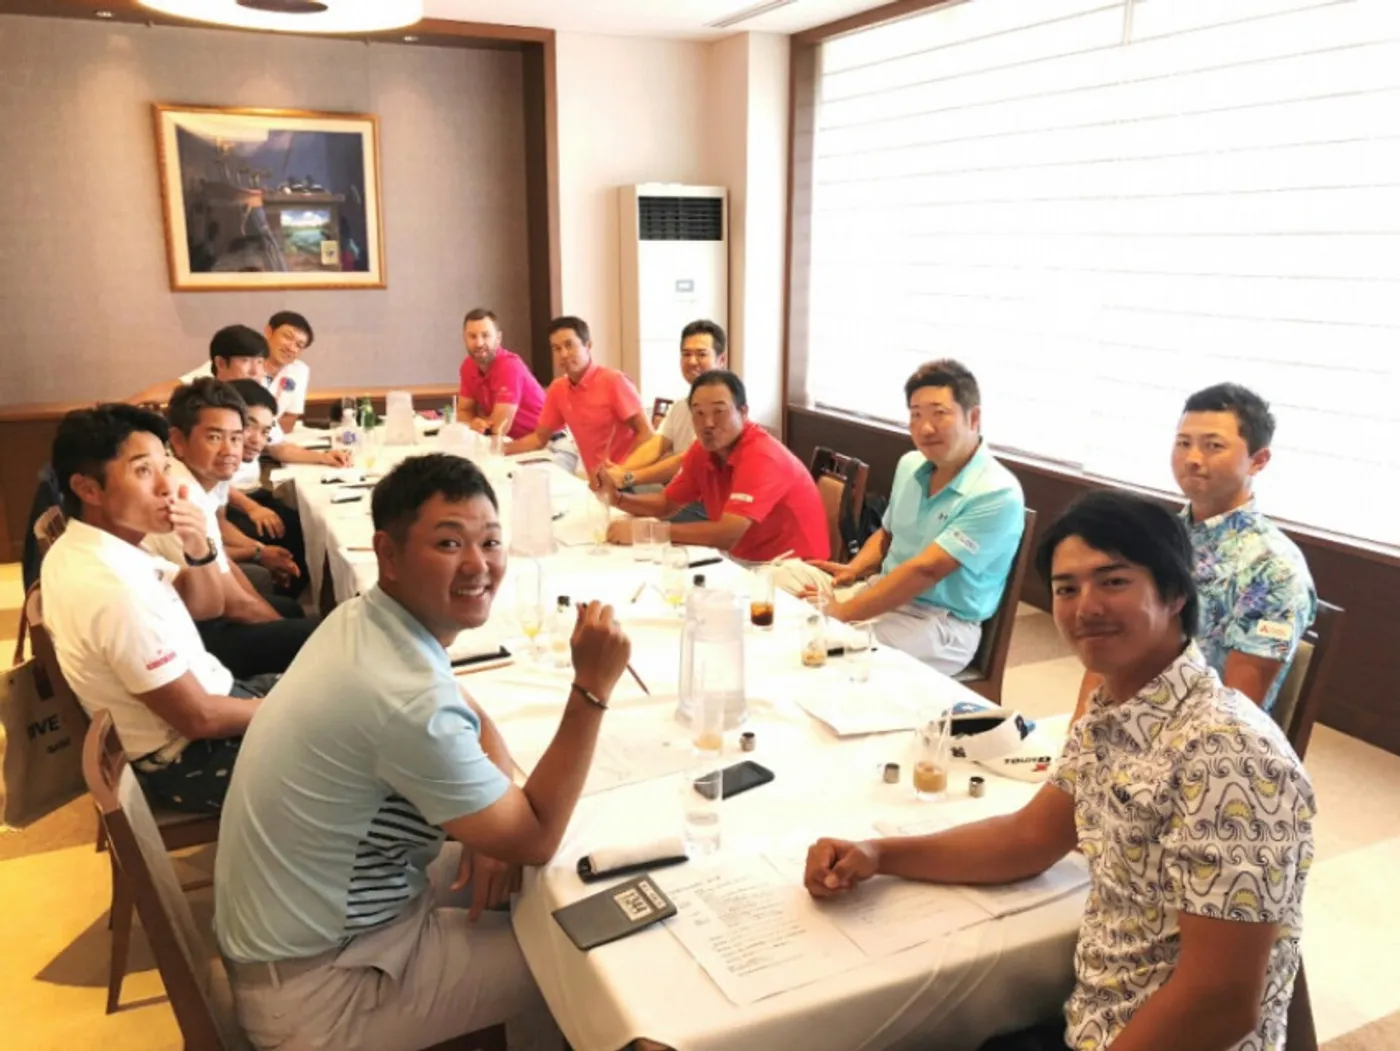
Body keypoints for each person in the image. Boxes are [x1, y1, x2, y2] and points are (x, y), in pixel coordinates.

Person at [805, 490, 1315, 1051]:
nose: (1085, 607)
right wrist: (879, 855)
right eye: (1066, 589)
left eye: (1113, 581)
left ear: (1174, 594)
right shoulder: (1113, 709)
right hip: (1091, 1016)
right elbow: (1028, 839)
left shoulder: (1231, 755)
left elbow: (1219, 1002)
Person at [214, 454, 633, 1051]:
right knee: (590, 962)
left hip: (307, 932)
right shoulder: (402, 696)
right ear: (388, 553)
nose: (478, 565)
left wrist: (494, 821)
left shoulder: (364, 620)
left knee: (551, 887)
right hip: (325, 993)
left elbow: (469, 711)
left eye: (491, 541)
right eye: (448, 543)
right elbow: (537, 835)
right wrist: (591, 688)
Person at [40, 404, 272, 814]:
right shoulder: (112, 588)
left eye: (165, 466)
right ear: (89, 489)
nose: (168, 486)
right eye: (144, 471)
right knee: (355, 745)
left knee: (338, 694)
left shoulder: (101, 544)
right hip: (187, 757)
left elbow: (205, 607)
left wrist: (198, 548)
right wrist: (289, 711)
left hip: (212, 698)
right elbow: (199, 719)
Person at [1072, 383, 1316, 720]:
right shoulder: (1152, 535)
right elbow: (1108, 649)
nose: (1193, 459)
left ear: (1258, 461)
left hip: (1200, 739)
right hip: (1118, 720)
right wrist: (1079, 732)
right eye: (1183, 443)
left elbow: (1235, 712)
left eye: (1213, 446)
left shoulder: (1274, 568)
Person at [786, 359, 1026, 675]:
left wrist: (843, 612)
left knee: (830, 649)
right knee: (779, 580)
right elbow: (887, 534)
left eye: (939, 414)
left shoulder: (996, 492)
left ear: (974, 418)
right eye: (916, 415)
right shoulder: (911, 464)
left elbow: (925, 571)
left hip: (940, 624)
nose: (925, 428)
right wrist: (854, 569)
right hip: (878, 592)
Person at [156, 379, 318, 678]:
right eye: (214, 437)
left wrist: (278, 622)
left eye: (235, 437)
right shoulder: (181, 496)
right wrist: (282, 629)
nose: (229, 450)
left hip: (201, 613)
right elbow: (232, 604)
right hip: (190, 638)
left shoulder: (202, 481)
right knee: (316, 638)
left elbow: (225, 566)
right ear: (178, 441)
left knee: (291, 612)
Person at [594, 370, 828, 563]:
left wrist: (648, 533)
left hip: (794, 569)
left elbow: (727, 534)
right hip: (743, 561)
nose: (708, 423)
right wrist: (616, 498)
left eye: (719, 412)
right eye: (698, 413)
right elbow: (667, 504)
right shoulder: (702, 450)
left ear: (743, 412)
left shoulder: (762, 456)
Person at [597, 319, 726, 524]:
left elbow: (687, 459)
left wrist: (628, 477)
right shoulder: (681, 405)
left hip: (708, 505)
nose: (692, 361)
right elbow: (656, 445)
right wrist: (620, 473)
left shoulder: (725, 408)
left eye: (701, 354)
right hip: (681, 495)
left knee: (630, 517)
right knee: (617, 499)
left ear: (721, 360)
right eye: (686, 354)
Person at [505, 316, 653, 476]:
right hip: (597, 480)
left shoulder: (614, 381)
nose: (563, 354)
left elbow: (647, 433)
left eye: (569, 345)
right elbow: (539, 439)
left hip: (631, 476)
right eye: (556, 348)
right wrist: (497, 449)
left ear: (588, 346)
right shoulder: (558, 389)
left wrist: (621, 472)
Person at [224, 378, 311, 594]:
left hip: (247, 496)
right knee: (281, 531)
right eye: (249, 426)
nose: (257, 440)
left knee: (299, 525)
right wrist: (259, 552)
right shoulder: (208, 463)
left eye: (265, 432)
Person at [455, 307, 547, 440]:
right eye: (472, 336)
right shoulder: (467, 366)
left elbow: (498, 428)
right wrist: (473, 423)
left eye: (485, 335)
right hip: (511, 442)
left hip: (547, 442)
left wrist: (476, 423)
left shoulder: (509, 366)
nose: (479, 343)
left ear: (498, 338)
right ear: (464, 339)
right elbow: (463, 412)